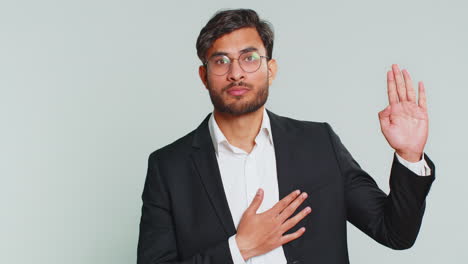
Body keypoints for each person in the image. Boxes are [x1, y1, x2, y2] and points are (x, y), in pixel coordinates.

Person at [137, 8, 435, 264]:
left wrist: (409, 156)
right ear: (204, 76)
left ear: (271, 69)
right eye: (221, 61)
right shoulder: (168, 167)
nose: (236, 73)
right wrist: (238, 248)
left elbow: (395, 233)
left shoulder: (319, 143)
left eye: (249, 58)